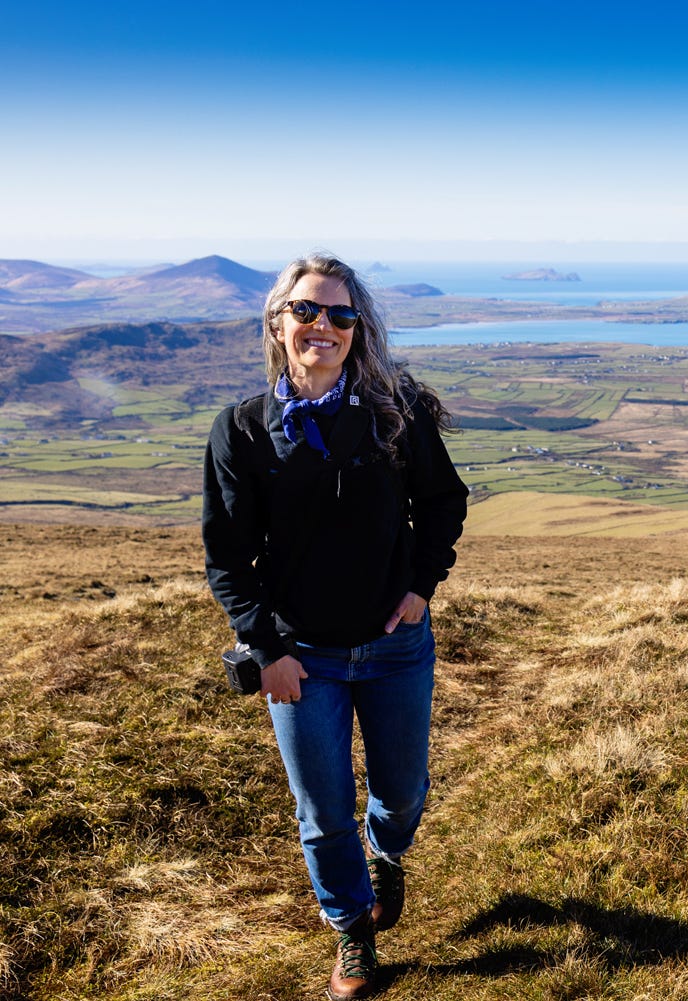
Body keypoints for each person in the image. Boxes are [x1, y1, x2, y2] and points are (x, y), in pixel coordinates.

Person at [203, 253, 468, 999]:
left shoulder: (394, 413)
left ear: (358, 328)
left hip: (395, 647)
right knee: (322, 811)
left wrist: (420, 587)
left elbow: (443, 501)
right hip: (302, 656)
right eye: (307, 310)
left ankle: (388, 855)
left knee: (402, 792)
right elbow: (227, 555)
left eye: (341, 313)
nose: (323, 324)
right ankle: (352, 926)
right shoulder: (242, 431)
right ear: (277, 323)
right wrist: (267, 648)